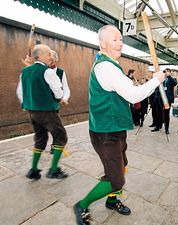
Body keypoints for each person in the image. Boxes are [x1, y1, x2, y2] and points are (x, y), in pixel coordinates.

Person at [73, 25, 165, 225]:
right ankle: (82, 205)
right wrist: (156, 80)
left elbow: (127, 90)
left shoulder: (110, 65)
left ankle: (112, 200)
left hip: (113, 129)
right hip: (106, 132)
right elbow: (133, 96)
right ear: (102, 43)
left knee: (122, 166)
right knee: (116, 179)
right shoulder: (106, 67)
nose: (120, 43)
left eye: (121, 39)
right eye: (114, 39)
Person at [16, 44, 68, 180]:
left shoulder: (25, 71)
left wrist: (26, 104)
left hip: (32, 112)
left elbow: (20, 92)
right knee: (61, 136)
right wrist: (60, 97)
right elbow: (58, 92)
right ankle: (54, 170)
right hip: (47, 111)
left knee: (40, 138)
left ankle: (33, 170)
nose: (51, 56)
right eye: (48, 53)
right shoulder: (48, 72)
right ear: (41, 56)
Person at [162, 68, 177, 134]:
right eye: (166, 72)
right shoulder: (163, 79)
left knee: (166, 114)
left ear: (170, 72)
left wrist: (168, 75)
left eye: (168, 72)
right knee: (162, 113)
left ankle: (166, 128)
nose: (166, 73)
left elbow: (174, 83)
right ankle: (160, 125)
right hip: (162, 99)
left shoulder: (172, 79)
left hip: (168, 100)